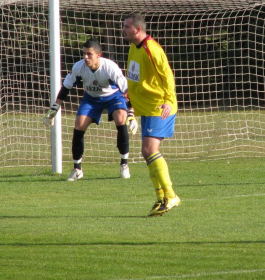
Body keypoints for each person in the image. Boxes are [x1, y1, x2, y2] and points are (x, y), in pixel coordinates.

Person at [43, 38, 138, 181]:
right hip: (91, 99)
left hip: (113, 97)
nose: (86, 57)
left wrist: (131, 113)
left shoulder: (110, 67)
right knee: (79, 125)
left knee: (121, 119)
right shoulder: (78, 67)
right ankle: (77, 169)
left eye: (89, 54)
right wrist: (54, 109)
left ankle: (124, 164)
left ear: (98, 55)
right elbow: (66, 88)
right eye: (84, 54)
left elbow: (127, 90)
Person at [122, 13, 180, 216]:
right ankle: (161, 198)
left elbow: (167, 76)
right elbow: (134, 73)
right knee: (146, 152)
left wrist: (167, 100)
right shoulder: (133, 47)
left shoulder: (152, 49)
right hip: (146, 106)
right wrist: (130, 91)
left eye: (127, 27)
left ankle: (171, 195)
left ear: (138, 29)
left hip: (159, 106)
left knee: (149, 149)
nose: (124, 30)